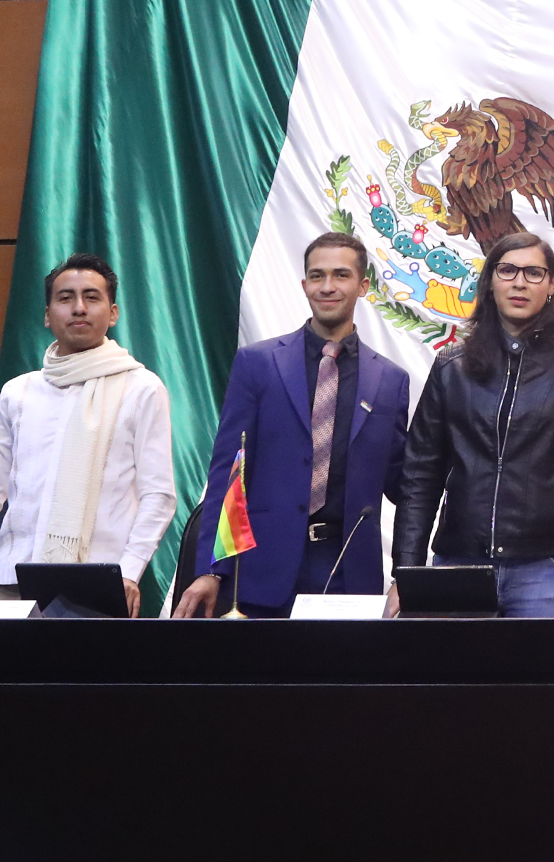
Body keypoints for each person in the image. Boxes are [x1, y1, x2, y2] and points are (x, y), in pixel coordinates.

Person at [0, 254, 175, 617]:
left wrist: (130, 572)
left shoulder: (142, 388)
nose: (79, 307)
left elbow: (158, 496)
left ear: (113, 313)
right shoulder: (18, 393)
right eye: (66, 298)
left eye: (92, 297)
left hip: (98, 583)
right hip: (9, 580)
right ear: (47, 315)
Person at [173, 233, 412, 618]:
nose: (327, 286)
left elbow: (407, 487)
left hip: (348, 575)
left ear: (363, 285)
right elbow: (228, 475)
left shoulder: (390, 381)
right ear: (304, 285)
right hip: (260, 571)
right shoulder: (257, 364)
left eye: (341, 275)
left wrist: (409, 572)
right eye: (317, 276)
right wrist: (210, 570)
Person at [391, 231, 554, 617]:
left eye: (534, 273)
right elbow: (419, 475)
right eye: (507, 270)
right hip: (458, 564)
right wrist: (405, 573)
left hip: (546, 568)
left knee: (540, 663)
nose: (519, 282)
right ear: (489, 282)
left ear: (552, 285)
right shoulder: (452, 366)